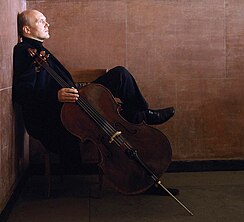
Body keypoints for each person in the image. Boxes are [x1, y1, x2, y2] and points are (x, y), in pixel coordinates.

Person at [13, 9, 178, 195]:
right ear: (26, 29)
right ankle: (142, 118)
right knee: (121, 90)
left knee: (120, 77)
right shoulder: (24, 51)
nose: (47, 24)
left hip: (72, 107)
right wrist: (55, 96)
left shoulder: (39, 51)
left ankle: (141, 116)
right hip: (56, 119)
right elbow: (21, 93)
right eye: (41, 21)